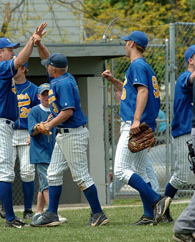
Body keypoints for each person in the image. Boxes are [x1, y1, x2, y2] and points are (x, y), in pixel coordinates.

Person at [0, 22, 47, 229]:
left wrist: (33, 42)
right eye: (9, 49)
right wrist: (31, 40)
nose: (12, 52)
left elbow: (22, 62)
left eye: (13, 49)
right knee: (5, 173)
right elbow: (20, 60)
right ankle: (10, 219)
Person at [31, 43, 108, 227]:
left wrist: (48, 124)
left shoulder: (64, 82)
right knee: (53, 172)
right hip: (64, 135)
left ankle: (98, 213)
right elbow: (46, 58)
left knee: (81, 176)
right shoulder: (61, 77)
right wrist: (38, 43)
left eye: (49, 65)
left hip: (72, 134)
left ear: (54, 69)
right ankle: (52, 214)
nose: (46, 66)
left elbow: (68, 111)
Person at [101, 31, 171, 226]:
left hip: (133, 125)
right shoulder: (144, 67)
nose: (125, 45)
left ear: (132, 43)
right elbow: (130, 90)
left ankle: (157, 200)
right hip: (142, 124)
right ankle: (149, 214)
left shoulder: (137, 65)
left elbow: (143, 91)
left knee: (121, 169)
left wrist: (136, 120)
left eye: (126, 42)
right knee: (140, 171)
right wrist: (113, 80)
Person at [0, 60, 39, 220]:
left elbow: (37, 113)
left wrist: (33, 130)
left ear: (24, 69)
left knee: (27, 172)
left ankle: (28, 209)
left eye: (17, 67)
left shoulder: (33, 89)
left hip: (27, 133)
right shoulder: (6, 86)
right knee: (5, 172)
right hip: (8, 131)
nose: (14, 70)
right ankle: (5, 207)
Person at [163, 45, 195, 223]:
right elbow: (190, 79)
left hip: (191, 130)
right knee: (182, 175)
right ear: (190, 60)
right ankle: (162, 207)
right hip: (183, 131)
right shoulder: (184, 77)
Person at [28, 83, 66, 224]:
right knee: (47, 183)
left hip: (52, 151)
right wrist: (44, 124)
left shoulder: (56, 111)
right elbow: (32, 131)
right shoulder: (35, 111)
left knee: (44, 183)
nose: (46, 97)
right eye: (43, 94)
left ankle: (38, 212)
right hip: (40, 152)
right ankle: (52, 212)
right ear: (38, 96)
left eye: (48, 94)